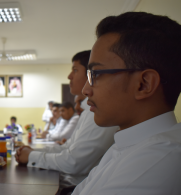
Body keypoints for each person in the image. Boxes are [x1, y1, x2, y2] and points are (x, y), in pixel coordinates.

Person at [67, 12, 181, 195]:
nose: (86, 90)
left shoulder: (159, 158)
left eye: (96, 74)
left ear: (144, 84)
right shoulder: (126, 144)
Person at [15, 51, 118, 187]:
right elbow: (67, 148)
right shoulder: (88, 111)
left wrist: (31, 156)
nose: (69, 76)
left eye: (75, 70)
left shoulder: (100, 111)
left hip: (74, 186)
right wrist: (33, 152)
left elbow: (74, 162)